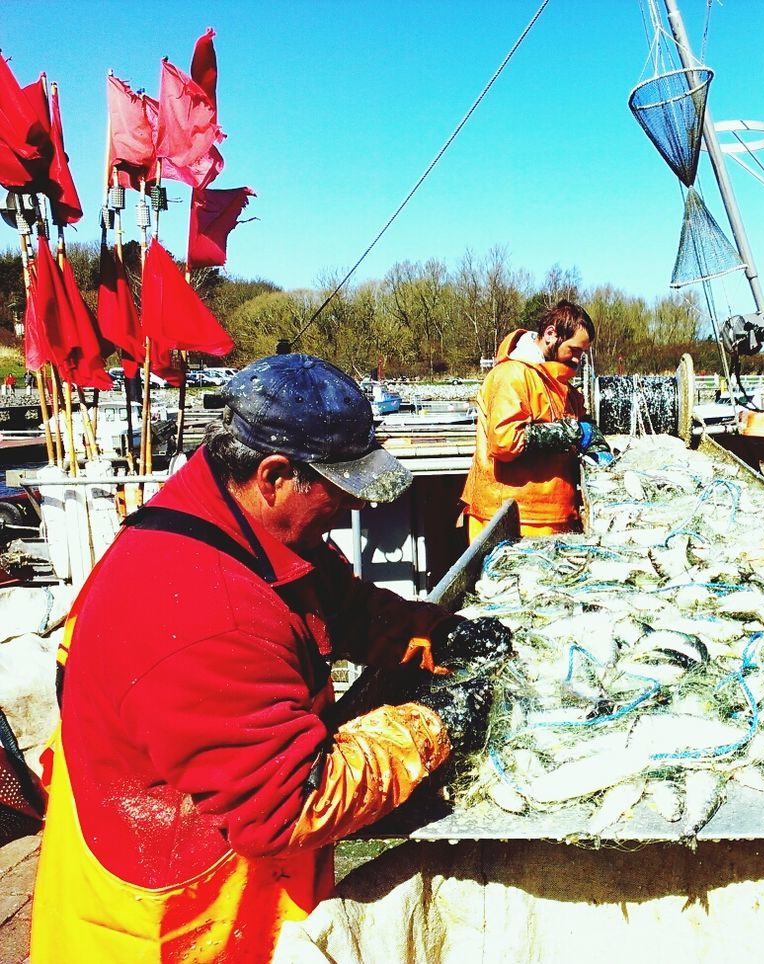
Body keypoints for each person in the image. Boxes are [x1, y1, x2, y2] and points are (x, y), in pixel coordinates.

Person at [31, 354, 512, 962]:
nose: (354, 509)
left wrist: (434, 634)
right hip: (173, 917)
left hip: (200, 841)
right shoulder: (207, 611)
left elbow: (337, 603)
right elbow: (292, 803)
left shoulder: (230, 514)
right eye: (339, 493)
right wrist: (436, 724)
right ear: (275, 475)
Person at [461, 299, 612, 542]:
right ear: (551, 334)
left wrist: (597, 445)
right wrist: (571, 432)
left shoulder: (563, 386)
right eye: (573, 350)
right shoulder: (511, 375)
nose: (577, 360)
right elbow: (505, 442)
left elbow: (583, 422)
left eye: (582, 354)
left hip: (556, 516)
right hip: (511, 519)